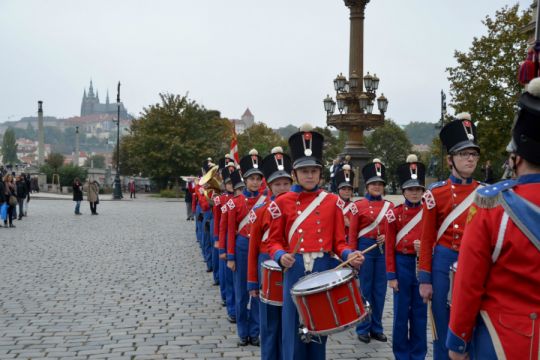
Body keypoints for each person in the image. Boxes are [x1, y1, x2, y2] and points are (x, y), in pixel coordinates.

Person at [447, 78, 540, 359]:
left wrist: (457, 342)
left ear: (516, 158)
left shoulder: (492, 204)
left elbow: (468, 283)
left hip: (503, 340)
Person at [266, 124, 364, 360]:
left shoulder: (332, 202)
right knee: (292, 332)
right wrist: (281, 256)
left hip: (322, 270)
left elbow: (339, 242)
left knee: (319, 332)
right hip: (294, 268)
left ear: (321, 173)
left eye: (313, 171)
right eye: (304, 171)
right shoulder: (282, 202)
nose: (309, 175)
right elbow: (274, 242)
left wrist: (349, 254)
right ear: (295, 174)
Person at [417, 112, 482, 359]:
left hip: (475, 263)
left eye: (473, 154)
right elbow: (426, 239)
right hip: (444, 264)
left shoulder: (486, 193)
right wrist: (425, 279)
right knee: (443, 329)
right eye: (463, 154)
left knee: (475, 326)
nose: (470, 159)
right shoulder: (436, 194)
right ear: (450, 159)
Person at [247, 146, 293, 360]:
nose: (282, 188)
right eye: (277, 184)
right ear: (270, 186)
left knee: (289, 322)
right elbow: (253, 249)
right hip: (267, 266)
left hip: (292, 267)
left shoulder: (299, 210)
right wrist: (252, 283)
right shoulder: (259, 212)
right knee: (269, 323)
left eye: (286, 183)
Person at [385, 154, 427, 360]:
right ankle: (401, 354)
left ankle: (418, 354)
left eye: (418, 189)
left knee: (419, 315)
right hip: (401, 264)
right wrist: (391, 275)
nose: (414, 192)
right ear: (403, 191)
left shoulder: (429, 212)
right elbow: (389, 246)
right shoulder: (395, 213)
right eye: (410, 189)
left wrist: (427, 249)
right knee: (401, 315)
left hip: (421, 265)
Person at [349, 158, 394, 343]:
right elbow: (352, 234)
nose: (377, 187)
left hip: (382, 252)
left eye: (380, 184)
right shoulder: (357, 206)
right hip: (364, 250)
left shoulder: (390, 207)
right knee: (365, 290)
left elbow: (394, 231)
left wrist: (387, 236)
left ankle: (377, 327)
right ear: (367, 186)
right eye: (373, 184)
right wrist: (352, 254)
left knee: (380, 291)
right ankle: (363, 328)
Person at [227, 149, 266, 347]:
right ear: (245, 179)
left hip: (259, 250)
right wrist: (231, 256)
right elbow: (230, 231)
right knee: (242, 293)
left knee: (258, 291)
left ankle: (256, 330)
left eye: (258, 178)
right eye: (251, 178)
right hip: (242, 248)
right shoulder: (235, 203)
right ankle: (243, 331)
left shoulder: (266, 202)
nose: (255, 182)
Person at [334, 164, 356, 243]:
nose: (347, 191)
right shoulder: (332, 205)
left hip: (349, 242)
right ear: (338, 190)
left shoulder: (355, 206)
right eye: (343, 189)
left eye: (349, 189)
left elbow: (359, 229)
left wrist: (349, 224)